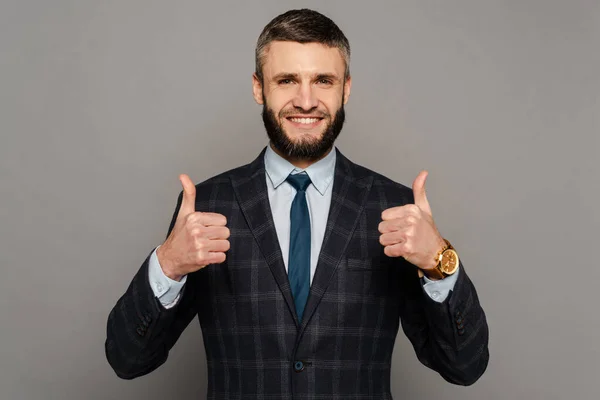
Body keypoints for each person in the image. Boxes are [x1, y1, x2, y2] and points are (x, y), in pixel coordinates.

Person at [105, 8, 489, 399]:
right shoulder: (207, 206)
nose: (306, 101)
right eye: (287, 80)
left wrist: (440, 262)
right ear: (259, 88)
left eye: (323, 80)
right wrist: (168, 265)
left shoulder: (394, 208)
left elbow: (464, 366)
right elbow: (128, 359)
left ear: (346, 88)